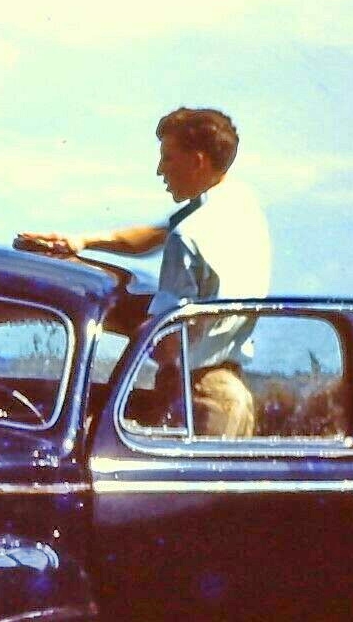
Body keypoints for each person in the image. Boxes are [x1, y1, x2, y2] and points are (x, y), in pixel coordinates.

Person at [15, 107, 271, 437]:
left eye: (168, 158)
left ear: (197, 161)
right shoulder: (239, 204)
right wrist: (82, 241)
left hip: (197, 394)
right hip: (232, 392)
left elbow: (164, 341)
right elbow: (152, 236)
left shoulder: (189, 237)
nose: (160, 170)